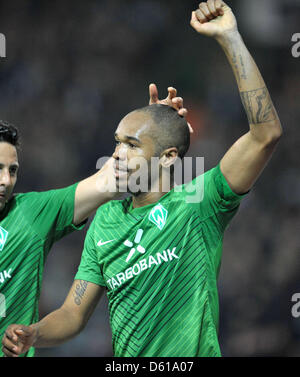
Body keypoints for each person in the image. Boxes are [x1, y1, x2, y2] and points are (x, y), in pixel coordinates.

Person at [2, 0, 282, 357]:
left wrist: (230, 38)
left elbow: (265, 134)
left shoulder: (199, 203)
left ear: (168, 157)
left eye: (132, 145)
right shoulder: (105, 219)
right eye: (117, 142)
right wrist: (34, 333)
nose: (118, 153)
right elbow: (74, 313)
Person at [0, 86, 187, 358]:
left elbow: (111, 180)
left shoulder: (29, 215)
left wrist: (152, 129)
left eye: (12, 170)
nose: (6, 180)